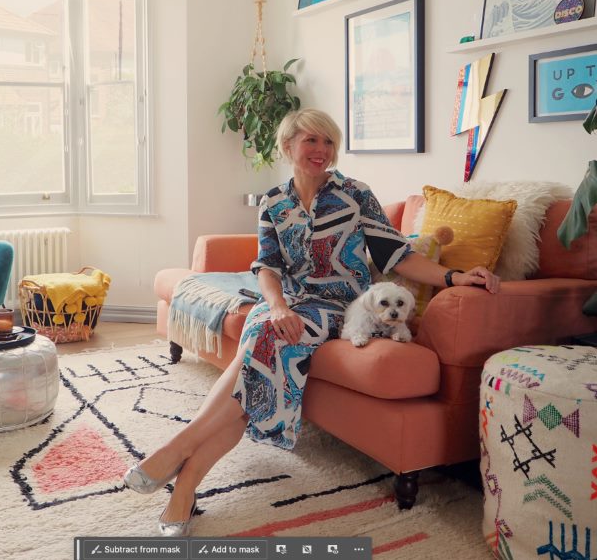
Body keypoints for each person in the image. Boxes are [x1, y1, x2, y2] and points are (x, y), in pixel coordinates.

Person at [123, 108, 501, 536]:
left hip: (336, 304)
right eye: (311, 141)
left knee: (261, 345)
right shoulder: (273, 202)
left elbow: (397, 254)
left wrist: (454, 276)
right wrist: (279, 305)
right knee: (258, 357)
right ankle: (183, 488)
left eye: (328, 142)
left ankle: (175, 456)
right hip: (286, 302)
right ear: (288, 146)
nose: (322, 150)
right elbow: (265, 266)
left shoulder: (356, 194)